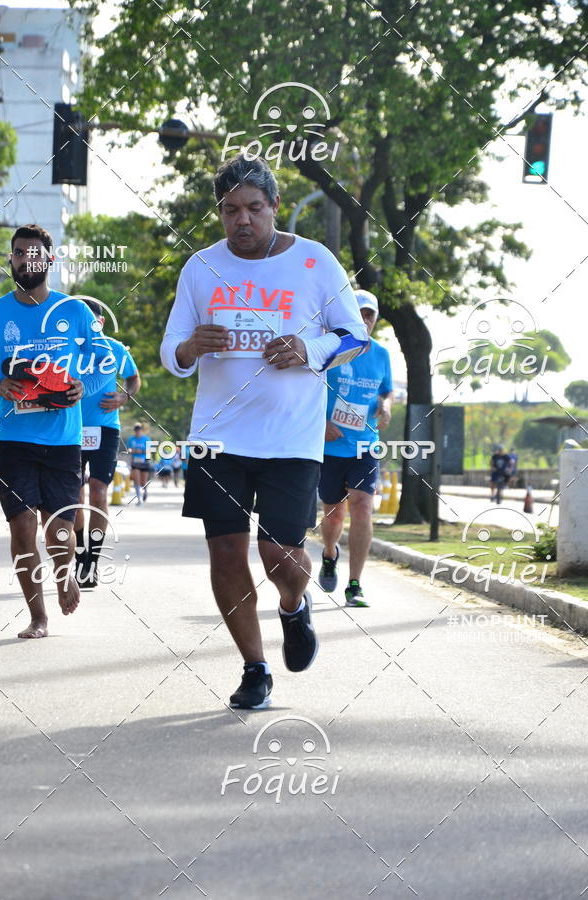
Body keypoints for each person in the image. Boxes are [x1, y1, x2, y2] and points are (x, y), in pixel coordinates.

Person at [160, 154, 368, 710]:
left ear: (274, 207)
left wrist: (308, 348)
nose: (242, 221)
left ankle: (294, 607)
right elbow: (171, 350)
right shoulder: (201, 268)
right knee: (226, 555)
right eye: (231, 211)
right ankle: (255, 668)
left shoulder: (315, 261)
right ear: (220, 214)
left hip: (290, 437)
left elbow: (353, 337)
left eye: (254, 208)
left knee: (278, 555)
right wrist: (189, 348)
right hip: (217, 435)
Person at [0, 224, 111, 637]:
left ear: (50, 260)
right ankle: (37, 616)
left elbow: (104, 361)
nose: (27, 259)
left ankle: (65, 573)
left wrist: (82, 385)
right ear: (11, 260)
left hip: (62, 439)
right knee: (22, 526)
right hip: (11, 438)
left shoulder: (74, 310)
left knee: (58, 529)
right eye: (20, 253)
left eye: (35, 253)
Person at [318, 289, 393, 607]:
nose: (365, 319)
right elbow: (308, 389)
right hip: (331, 446)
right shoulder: (331, 348)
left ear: (375, 319)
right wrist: (321, 423)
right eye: (359, 313)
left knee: (363, 506)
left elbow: (386, 390)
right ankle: (329, 553)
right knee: (334, 515)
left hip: (366, 444)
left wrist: (387, 406)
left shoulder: (381, 355)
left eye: (370, 315)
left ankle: (355, 584)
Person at [75, 298, 140, 588]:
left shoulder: (114, 348)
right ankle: (78, 556)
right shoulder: (67, 348)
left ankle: (93, 561)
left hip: (105, 428)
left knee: (99, 492)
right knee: (75, 496)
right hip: (69, 429)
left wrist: (125, 396)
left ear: (100, 323)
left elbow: (133, 378)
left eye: (91, 320)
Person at [127, 422, 150, 503]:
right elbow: (128, 449)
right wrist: (132, 451)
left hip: (144, 461)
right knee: (136, 479)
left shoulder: (146, 439)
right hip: (135, 461)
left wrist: (141, 451)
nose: (137, 432)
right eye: (136, 430)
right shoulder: (131, 439)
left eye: (139, 430)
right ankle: (139, 498)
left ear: (141, 430)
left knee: (143, 482)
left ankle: (145, 491)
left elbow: (149, 450)